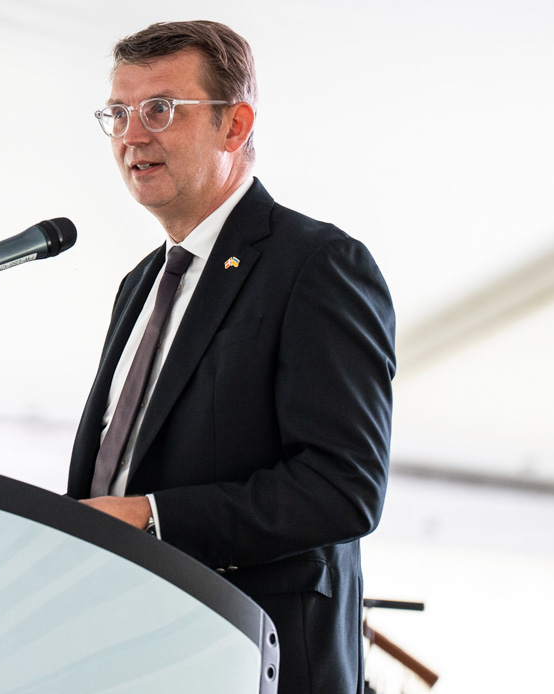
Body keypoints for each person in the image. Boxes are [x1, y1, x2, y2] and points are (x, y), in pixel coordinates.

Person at [67, 21, 395, 694]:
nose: (132, 134)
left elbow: (343, 487)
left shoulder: (316, 265)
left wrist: (151, 518)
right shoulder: (142, 283)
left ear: (234, 124)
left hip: (254, 662)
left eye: (160, 109)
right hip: (127, 654)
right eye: (119, 113)